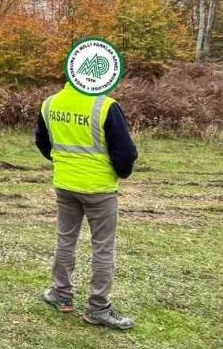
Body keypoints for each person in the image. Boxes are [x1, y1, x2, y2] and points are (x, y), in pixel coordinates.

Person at [35, 81, 138, 330]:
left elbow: (42, 142)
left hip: (65, 183)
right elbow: (125, 154)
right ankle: (98, 308)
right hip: (99, 188)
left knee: (65, 240)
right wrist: (120, 173)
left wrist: (64, 161)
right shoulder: (106, 106)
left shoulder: (50, 103)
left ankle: (61, 295)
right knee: (103, 247)